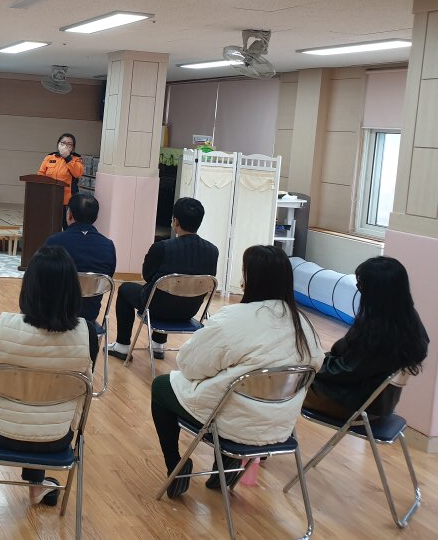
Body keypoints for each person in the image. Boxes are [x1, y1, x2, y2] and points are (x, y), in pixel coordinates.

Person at [151, 245, 324, 497]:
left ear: (250, 278)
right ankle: (225, 467)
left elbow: (189, 364)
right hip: (279, 424)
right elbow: (315, 365)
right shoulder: (303, 324)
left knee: (161, 386)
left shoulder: (235, 318)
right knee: (237, 388)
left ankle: (175, 466)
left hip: (231, 419)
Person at [0, 246, 98, 507]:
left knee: (6, 397)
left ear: (29, 287)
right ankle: (36, 484)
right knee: (46, 398)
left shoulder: (3, 327)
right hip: (56, 438)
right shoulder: (88, 335)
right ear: (73, 289)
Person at [304, 256, 429, 420]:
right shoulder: (408, 319)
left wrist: (311, 364)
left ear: (377, 292)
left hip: (352, 404)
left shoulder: (378, 332)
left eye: (362, 286)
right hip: (380, 403)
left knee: (282, 386)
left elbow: (344, 370)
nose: (359, 291)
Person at [107, 197, 218, 361]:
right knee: (168, 291)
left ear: (175, 221)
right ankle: (158, 345)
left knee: (126, 289)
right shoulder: (213, 251)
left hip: (157, 308)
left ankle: (122, 346)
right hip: (189, 310)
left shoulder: (162, 247)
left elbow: (147, 276)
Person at [44, 193, 116, 324]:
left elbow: (41, 277)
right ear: (95, 217)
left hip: (55, 314)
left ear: (69, 214)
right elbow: (107, 278)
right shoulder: (108, 245)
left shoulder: (54, 241)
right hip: (89, 318)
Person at [37, 133, 84, 208]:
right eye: (63, 143)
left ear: (73, 148)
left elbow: (77, 174)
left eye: (69, 144)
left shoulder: (76, 159)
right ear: (58, 144)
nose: (65, 146)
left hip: (66, 200)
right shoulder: (49, 157)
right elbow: (41, 174)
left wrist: (67, 157)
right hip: (49, 196)